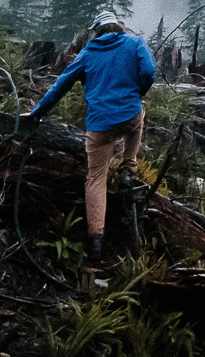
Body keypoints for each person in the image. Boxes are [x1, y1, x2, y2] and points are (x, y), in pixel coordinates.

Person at [20, 16, 157, 264]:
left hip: (99, 126)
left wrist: (37, 113)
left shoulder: (87, 53)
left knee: (95, 179)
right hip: (129, 116)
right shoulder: (135, 43)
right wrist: (137, 93)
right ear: (119, 27)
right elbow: (148, 71)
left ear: (96, 32)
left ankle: (95, 241)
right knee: (140, 114)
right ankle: (128, 165)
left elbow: (60, 85)